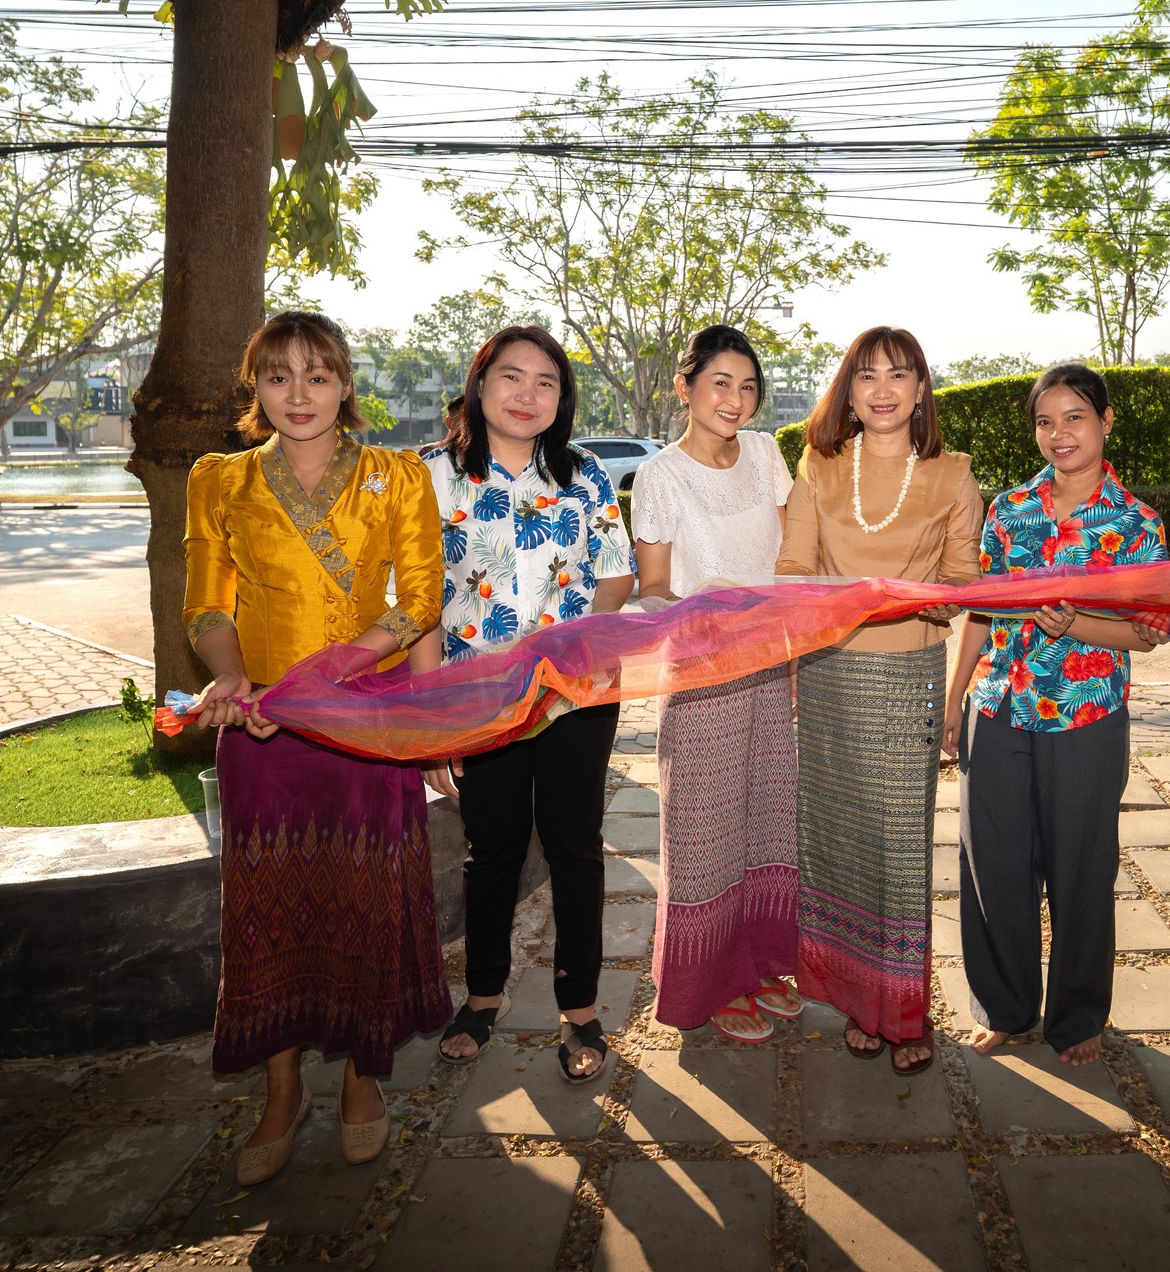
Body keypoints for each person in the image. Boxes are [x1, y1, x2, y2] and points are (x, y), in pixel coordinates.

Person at [184, 311, 449, 1185]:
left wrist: (330, 677)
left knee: (362, 897)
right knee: (267, 907)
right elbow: (209, 605)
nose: (298, 394)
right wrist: (233, 681)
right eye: (277, 376)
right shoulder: (218, 479)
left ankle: (364, 1077)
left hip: (363, 722)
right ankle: (282, 1086)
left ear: (346, 385)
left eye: (318, 375)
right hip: (261, 727)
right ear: (254, 387)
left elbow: (417, 601)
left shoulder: (398, 474)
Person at [423, 326, 633, 1084]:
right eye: (510, 376)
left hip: (576, 691)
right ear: (478, 385)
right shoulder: (431, 476)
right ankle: (481, 996)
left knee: (575, 845)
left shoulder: (584, 473)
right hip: (477, 694)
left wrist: (572, 647)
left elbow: (615, 574)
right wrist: (430, 722)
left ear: (561, 398)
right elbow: (420, 601)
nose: (526, 393)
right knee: (493, 850)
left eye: (545, 382)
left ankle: (579, 1007)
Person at [943, 364, 1170, 1068]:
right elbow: (981, 611)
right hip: (1000, 703)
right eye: (1046, 420)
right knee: (995, 863)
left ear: (1105, 422)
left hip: (1087, 714)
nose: (1059, 432)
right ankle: (1006, 1006)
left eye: (1075, 416)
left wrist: (1075, 626)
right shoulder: (1010, 508)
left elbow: (1145, 632)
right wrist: (955, 701)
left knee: (1081, 866)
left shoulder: (1137, 521)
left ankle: (1077, 1017)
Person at [775, 327, 981, 1075]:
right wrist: (845, 603)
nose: (884, 388)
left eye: (900, 374)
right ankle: (860, 1001)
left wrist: (903, 600)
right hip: (829, 678)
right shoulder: (820, 464)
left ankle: (905, 1008)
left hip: (907, 680)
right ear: (849, 391)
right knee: (838, 841)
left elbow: (962, 583)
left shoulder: (953, 473)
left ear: (922, 389)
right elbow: (794, 568)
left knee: (898, 845)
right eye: (867, 375)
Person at [632, 324, 801, 1044]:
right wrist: (709, 617)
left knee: (769, 816)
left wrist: (789, 628)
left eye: (748, 386)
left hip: (773, 665)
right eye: (720, 383)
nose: (736, 400)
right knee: (704, 829)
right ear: (686, 387)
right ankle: (712, 981)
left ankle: (763, 961)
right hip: (702, 674)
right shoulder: (661, 475)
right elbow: (653, 589)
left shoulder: (766, 453)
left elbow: (792, 555)